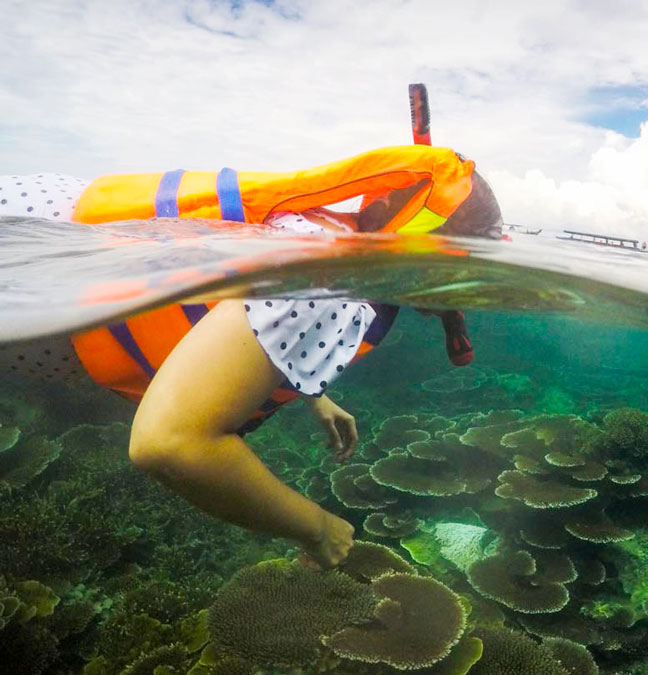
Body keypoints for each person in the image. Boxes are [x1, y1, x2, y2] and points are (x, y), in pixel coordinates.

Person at [0, 146, 503, 568]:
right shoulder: (337, 290)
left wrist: (313, 392)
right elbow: (169, 443)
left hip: (38, 215)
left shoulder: (326, 230)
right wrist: (316, 527)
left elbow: (256, 313)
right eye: (471, 267)